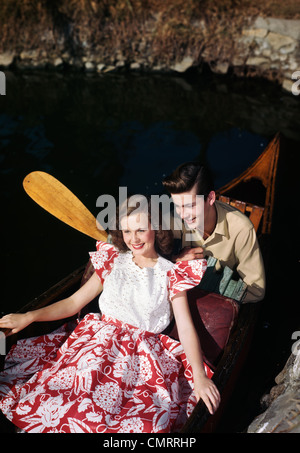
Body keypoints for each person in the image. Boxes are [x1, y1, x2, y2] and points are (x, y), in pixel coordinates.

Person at [0, 196, 220, 434]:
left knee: (139, 424)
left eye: (140, 230)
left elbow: (186, 327)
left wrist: (199, 377)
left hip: (141, 360)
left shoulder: (171, 274)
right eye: (126, 231)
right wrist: (30, 316)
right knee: (61, 401)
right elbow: (74, 303)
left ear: (156, 229)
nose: (133, 239)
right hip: (94, 346)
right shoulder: (113, 259)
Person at [162, 162, 265, 303]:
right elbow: (149, 257)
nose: (183, 214)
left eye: (190, 206)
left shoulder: (242, 230)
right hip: (182, 295)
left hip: (216, 302)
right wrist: (176, 259)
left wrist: (214, 287)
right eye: (178, 206)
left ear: (210, 198)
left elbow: (256, 291)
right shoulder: (174, 219)